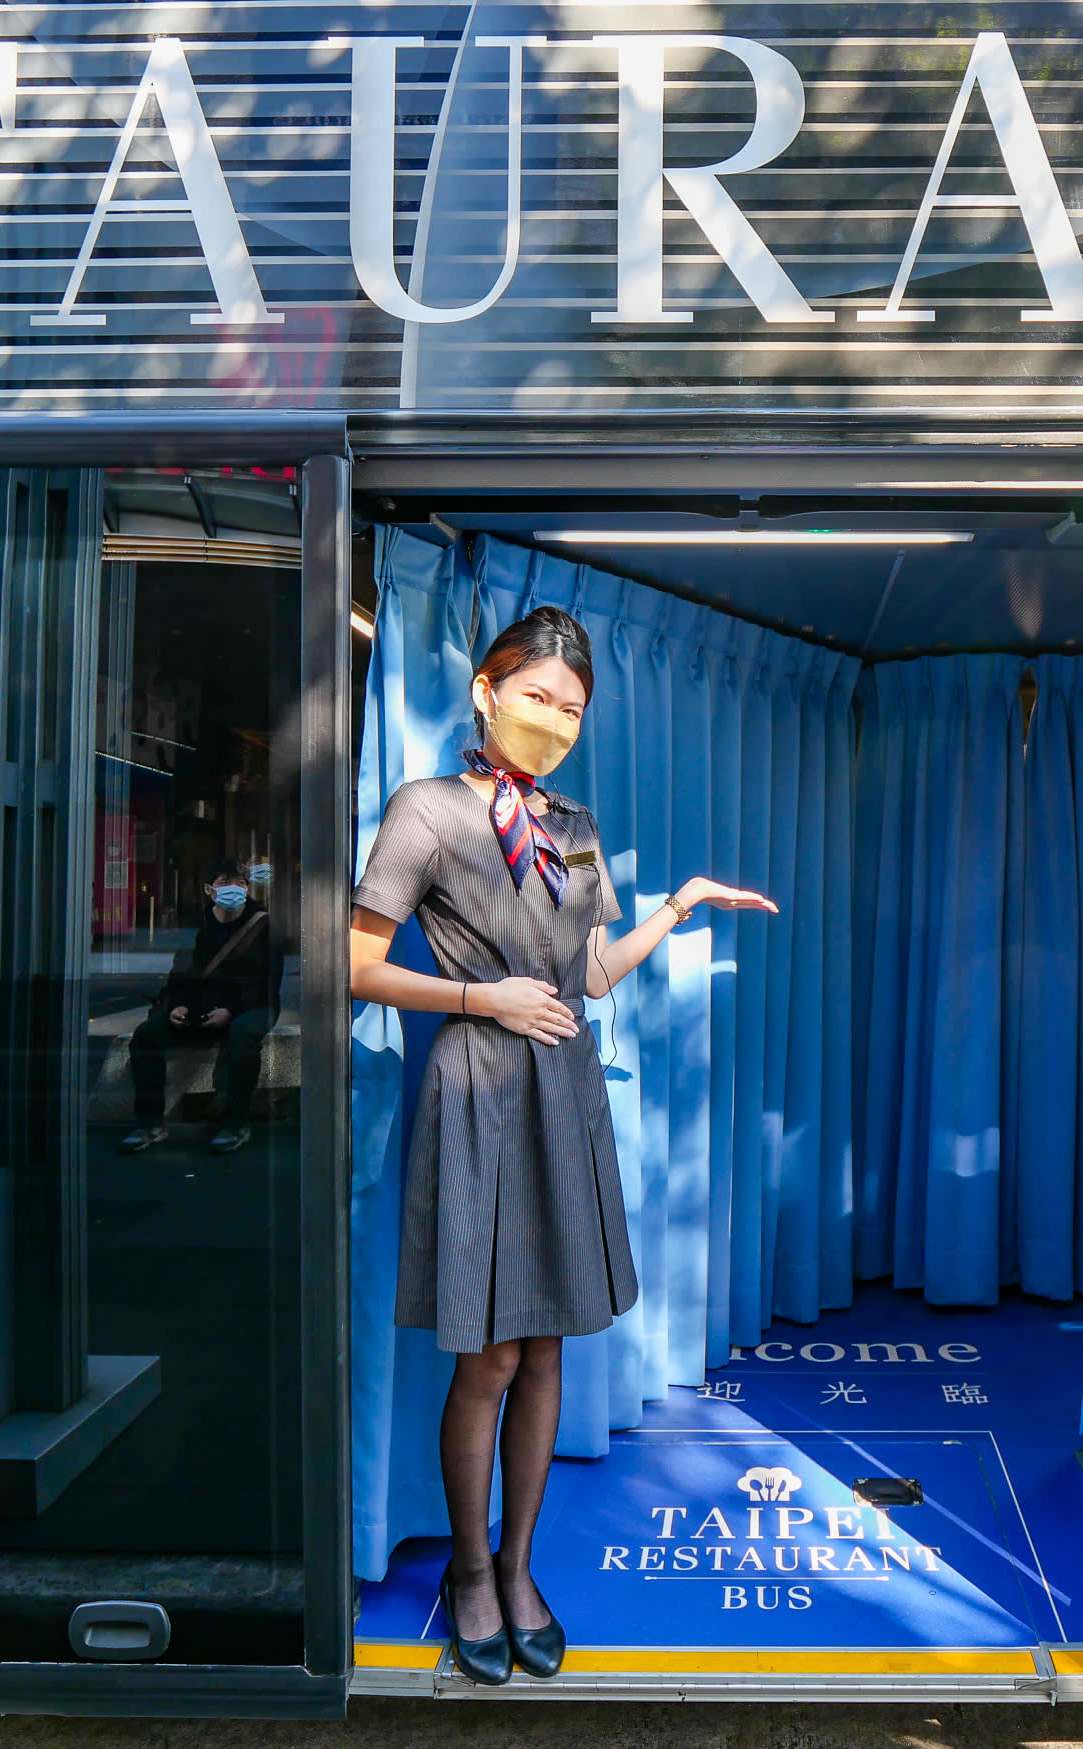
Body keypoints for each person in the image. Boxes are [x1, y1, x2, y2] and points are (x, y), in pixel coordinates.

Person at [349, 606, 773, 1687]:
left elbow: (586, 972)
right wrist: (478, 997)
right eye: (536, 696)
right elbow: (352, 965)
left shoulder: (575, 825)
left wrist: (675, 908)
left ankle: (519, 1565)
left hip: (565, 1091)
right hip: (479, 1089)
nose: (553, 720)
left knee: (546, 1350)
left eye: (572, 709)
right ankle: (471, 1572)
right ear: (485, 692)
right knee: (488, 1356)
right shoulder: (426, 809)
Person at [121, 856, 278, 1155]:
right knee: (146, 1036)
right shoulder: (198, 925)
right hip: (200, 1004)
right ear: (209, 889)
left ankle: (236, 1125)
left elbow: (267, 982)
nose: (234, 888)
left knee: (243, 1036)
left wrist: (231, 1011)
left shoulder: (263, 924)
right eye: (224, 882)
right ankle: (149, 1124)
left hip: (251, 1004)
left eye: (240, 883)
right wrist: (176, 1006)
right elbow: (181, 974)